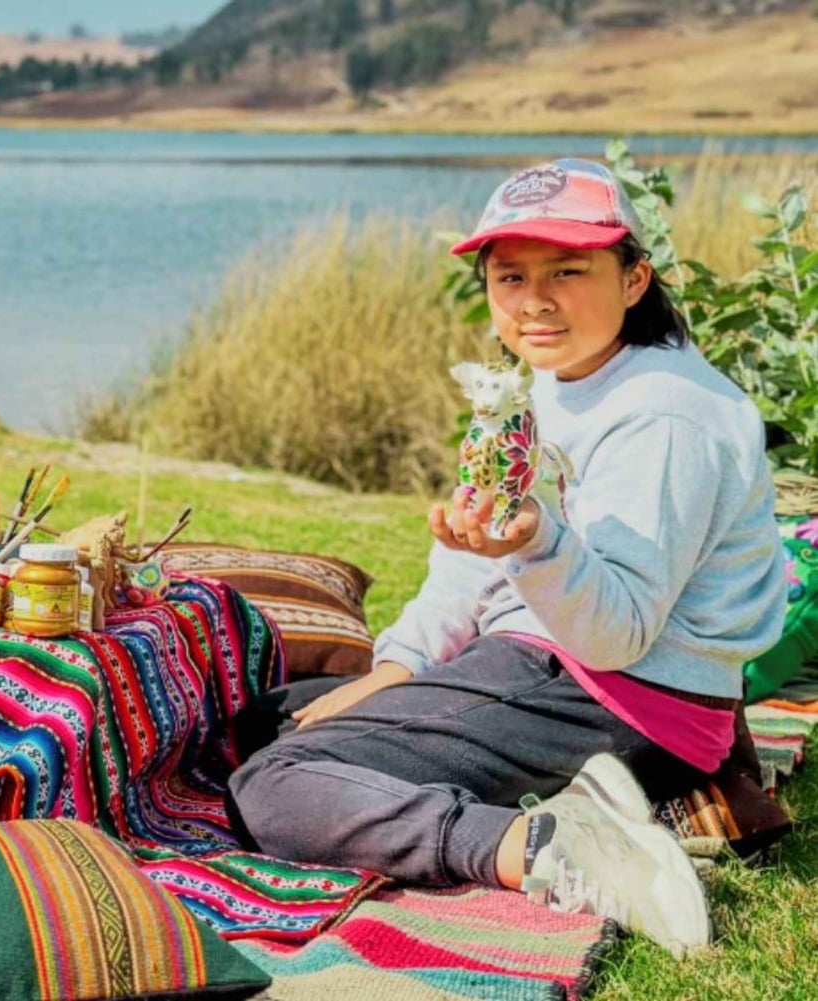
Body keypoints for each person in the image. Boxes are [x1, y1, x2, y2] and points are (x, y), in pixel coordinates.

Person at [227, 159, 786, 958]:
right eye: (510, 276)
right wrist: (402, 666)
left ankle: (546, 845)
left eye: (568, 271)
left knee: (275, 786)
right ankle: (582, 800)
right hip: (543, 666)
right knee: (266, 719)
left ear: (635, 278)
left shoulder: (665, 416)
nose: (534, 300)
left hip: (621, 697)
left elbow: (618, 633)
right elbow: (467, 558)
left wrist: (533, 541)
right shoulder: (547, 386)